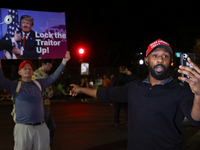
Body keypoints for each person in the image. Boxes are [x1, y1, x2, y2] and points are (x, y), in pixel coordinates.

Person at [70, 38, 200, 150]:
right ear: (147, 60)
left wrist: (199, 94)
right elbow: (105, 93)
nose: (160, 59)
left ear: (170, 61)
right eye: (155, 55)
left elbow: (195, 119)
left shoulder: (181, 90)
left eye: (165, 56)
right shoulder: (134, 87)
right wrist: (81, 89)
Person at [0, 51, 70, 150]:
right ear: (19, 72)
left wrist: (64, 62)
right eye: (25, 68)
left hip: (41, 128)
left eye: (30, 68)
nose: (28, 70)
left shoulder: (39, 84)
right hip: (23, 129)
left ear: (33, 72)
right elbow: (1, 79)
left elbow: (54, 76)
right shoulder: (14, 86)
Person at [31, 59, 55, 149]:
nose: (51, 66)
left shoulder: (34, 74)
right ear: (44, 64)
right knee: (49, 129)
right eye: (50, 64)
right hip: (43, 106)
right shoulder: (43, 76)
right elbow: (50, 94)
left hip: (37, 106)